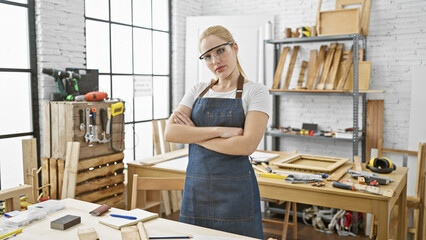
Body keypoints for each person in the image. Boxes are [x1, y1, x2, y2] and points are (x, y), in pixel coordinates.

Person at [164, 25, 270, 239]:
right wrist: (220, 131)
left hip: (236, 194)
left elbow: (246, 145)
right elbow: (171, 133)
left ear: (235, 48)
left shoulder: (256, 91)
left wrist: (194, 135)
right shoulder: (197, 90)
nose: (215, 62)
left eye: (220, 51)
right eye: (207, 56)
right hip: (196, 191)